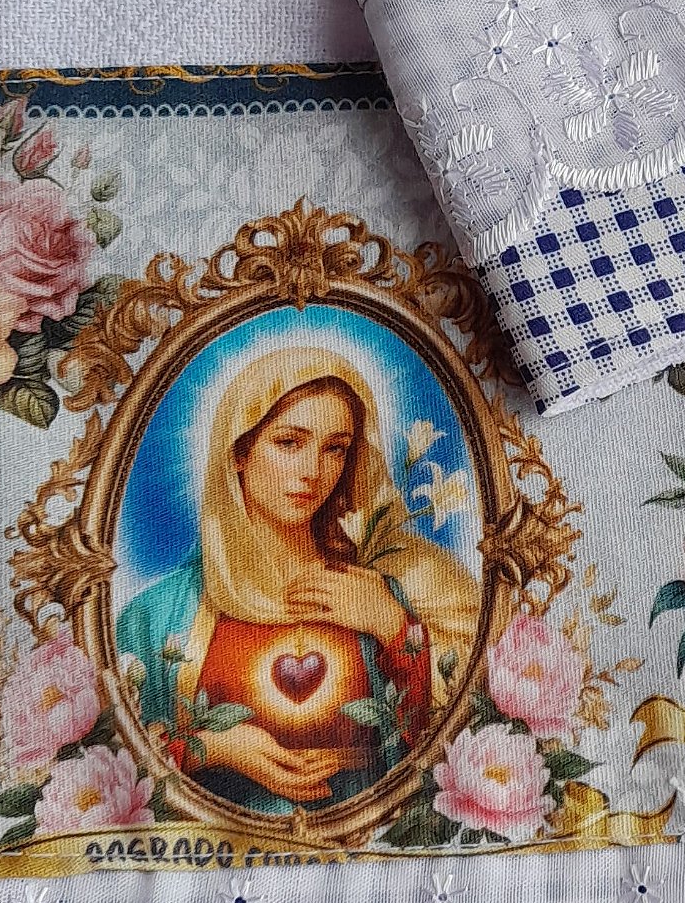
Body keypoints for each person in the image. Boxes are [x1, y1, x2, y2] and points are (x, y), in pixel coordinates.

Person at [117, 347, 481, 813]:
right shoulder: (159, 614)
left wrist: (394, 629)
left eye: (335, 448)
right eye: (289, 442)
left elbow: (441, 749)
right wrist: (210, 747)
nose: (313, 472)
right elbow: (113, 756)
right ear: (240, 453)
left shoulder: (376, 594)